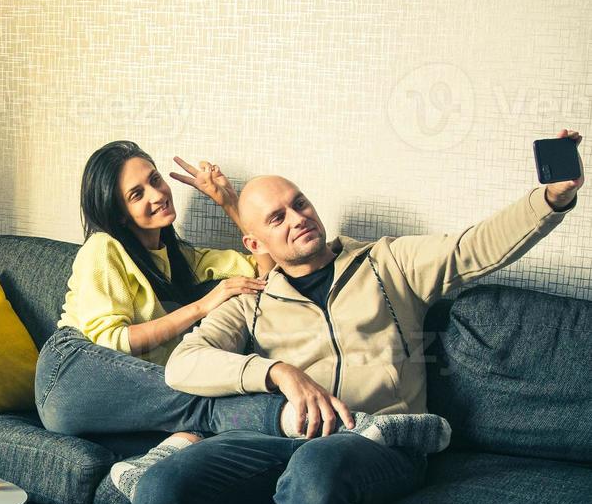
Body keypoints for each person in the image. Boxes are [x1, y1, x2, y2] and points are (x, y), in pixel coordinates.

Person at [128, 129, 584, 504]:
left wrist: (550, 198)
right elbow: (187, 363)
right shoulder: (254, 300)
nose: (298, 219)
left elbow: (475, 248)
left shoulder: (386, 262)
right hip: (298, 443)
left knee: (316, 469)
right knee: (161, 489)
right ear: (253, 241)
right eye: (278, 217)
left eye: (301, 204)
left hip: (387, 444)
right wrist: (276, 372)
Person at [35, 141, 451, 479]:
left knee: (203, 397)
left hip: (136, 397)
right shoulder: (103, 248)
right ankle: (345, 426)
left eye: (155, 179)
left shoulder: (185, 259)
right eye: (137, 194)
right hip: (72, 373)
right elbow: (115, 341)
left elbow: (268, 270)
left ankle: (157, 460)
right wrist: (202, 305)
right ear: (117, 212)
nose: (158, 194)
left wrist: (229, 201)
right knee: (201, 396)